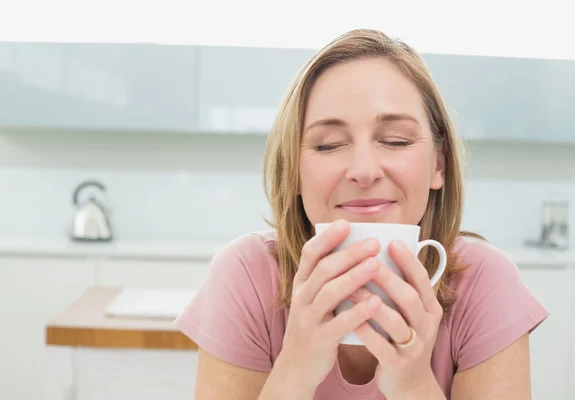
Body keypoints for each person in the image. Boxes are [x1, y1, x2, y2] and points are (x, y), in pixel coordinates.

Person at [175, 28, 549, 399]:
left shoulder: (485, 284)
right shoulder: (246, 277)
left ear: (439, 165)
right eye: (329, 145)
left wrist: (414, 386)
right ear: (294, 173)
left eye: (396, 140)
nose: (364, 170)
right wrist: (294, 373)